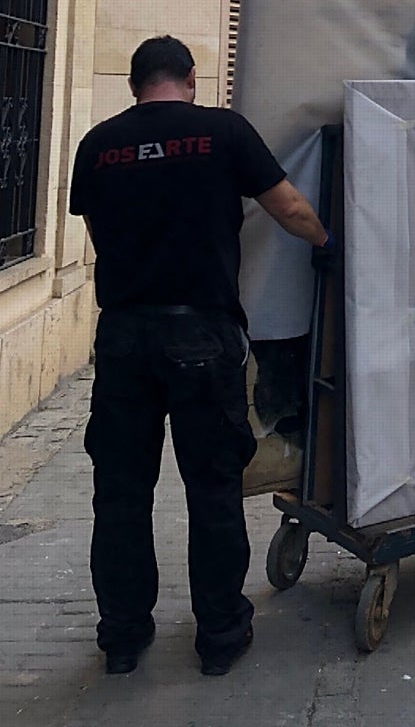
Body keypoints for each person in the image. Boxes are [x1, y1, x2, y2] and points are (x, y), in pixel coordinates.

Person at [69, 36, 331, 677]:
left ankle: (123, 639)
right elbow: (288, 206)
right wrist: (325, 242)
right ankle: (218, 637)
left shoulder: (98, 145)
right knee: (212, 490)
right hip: (201, 336)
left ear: (134, 85)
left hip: (125, 336)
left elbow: (99, 227)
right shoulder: (222, 132)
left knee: (121, 493)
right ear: (189, 78)